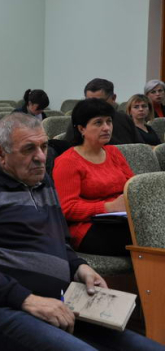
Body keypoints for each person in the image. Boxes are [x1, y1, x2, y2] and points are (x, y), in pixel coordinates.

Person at [0, 113, 163, 351]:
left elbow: (60, 243)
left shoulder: (43, 185)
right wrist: (26, 299)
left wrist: (79, 267)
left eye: (44, 146)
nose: (41, 157)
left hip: (60, 305)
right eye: (29, 149)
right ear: (1, 153)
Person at [53, 99, 134, 255]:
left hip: (121, 220)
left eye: (109, 121)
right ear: (81, 128)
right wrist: (108, 207)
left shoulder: (113, 152)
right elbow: (67, 208)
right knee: (147, 237)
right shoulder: (67, 162)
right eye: (98, 123)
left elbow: (132, 187)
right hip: (87, 228)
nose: (106, 128)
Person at [64, 78, 141, 145]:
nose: (94, 106)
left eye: (99, 102)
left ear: (113, 98)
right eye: (89, 101)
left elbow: (140, 148)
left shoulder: (125, 119)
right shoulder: (79, 121)